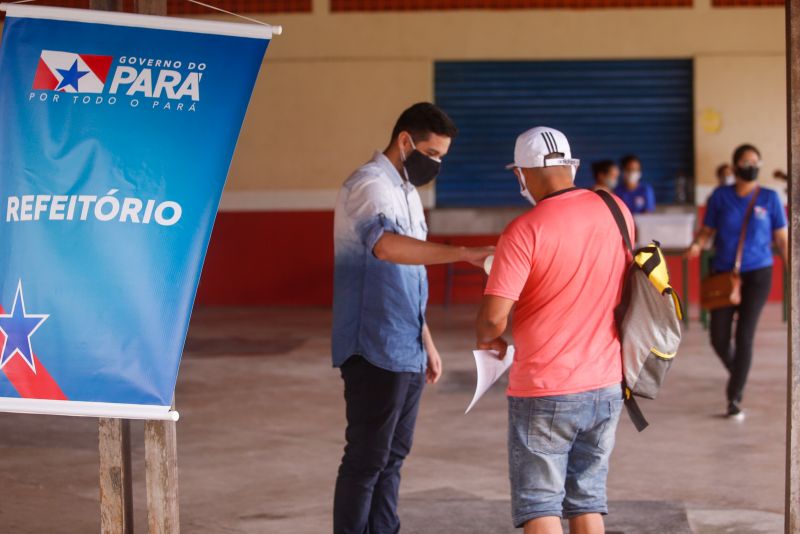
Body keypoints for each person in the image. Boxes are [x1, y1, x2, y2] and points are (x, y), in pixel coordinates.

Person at [331, 102, 494, 534]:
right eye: (432, 153)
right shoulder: (369, 186)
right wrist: (463, 253)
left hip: (406, 345)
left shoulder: (406, 193)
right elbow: (386, 247)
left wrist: (427, 340)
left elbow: (409, 275)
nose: (436, 164)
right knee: (367, 459)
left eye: (442, 156)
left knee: (393, 458)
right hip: (373, 345)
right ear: (405, 141)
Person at [476, 127, 634, 534]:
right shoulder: (616, 209)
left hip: (545, 390)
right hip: (606, 384)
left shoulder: (524, 230)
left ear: (521, 174)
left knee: (540, 503)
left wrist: (489, 338)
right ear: (571, 166)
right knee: (587, 500)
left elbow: (493, 317)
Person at [687, 144, 788, 420]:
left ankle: (734, 397)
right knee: (718, 337)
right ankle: (739, 371)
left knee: (745, 335)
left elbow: (782, 238)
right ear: (734, 166)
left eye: (755, 161)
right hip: (724, 274)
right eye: (745, 161)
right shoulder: (720, 196)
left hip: (758, 273)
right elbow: (707, 230)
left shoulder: (770, 198)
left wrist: (794, 269)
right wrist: (697, 244)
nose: (751, 165)